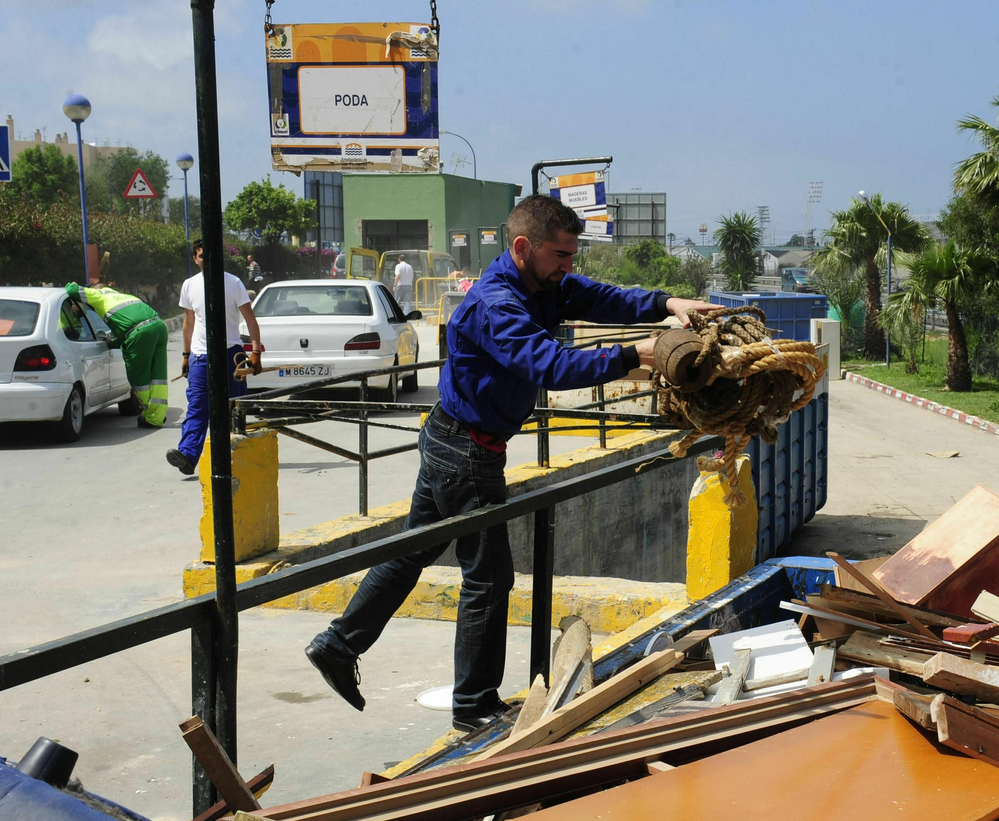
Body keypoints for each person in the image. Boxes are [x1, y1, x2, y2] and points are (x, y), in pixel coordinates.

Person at [303, 195, 720, 730]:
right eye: (559, 254)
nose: (568, 266)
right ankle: (473, 705)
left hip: (456, 438)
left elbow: (603, 298)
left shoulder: (544, 283)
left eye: (572, 255)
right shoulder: (497, 304)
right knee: (489, 578)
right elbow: (547, 363)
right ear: (522, 247)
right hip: (467, 452)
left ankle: (337, 645)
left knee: (412, 552)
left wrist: (668, 305)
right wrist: (635, 353)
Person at [167, 241, 264, 475]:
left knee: (233, 407)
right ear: (195, 258)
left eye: (209, 256)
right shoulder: (189, 285)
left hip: (231, 354)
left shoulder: (232, 283)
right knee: (198, 406)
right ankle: (188, 456)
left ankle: (234, 454)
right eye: (201, 256)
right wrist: (186, 355)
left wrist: (255, 352)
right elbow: (188, 323)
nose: (205, 260)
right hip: (201, 357)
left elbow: (250, 320)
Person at [64, 278, 169, 427]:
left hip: (141, 333)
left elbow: (71, 290)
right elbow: (126, 327)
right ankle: (157, 416)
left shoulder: (99, 295)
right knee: (158, 376)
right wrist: (113, 342)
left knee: (139, 377)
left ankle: (150, 414)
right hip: (159, 326)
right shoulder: (125, 296)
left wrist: (72, 284)